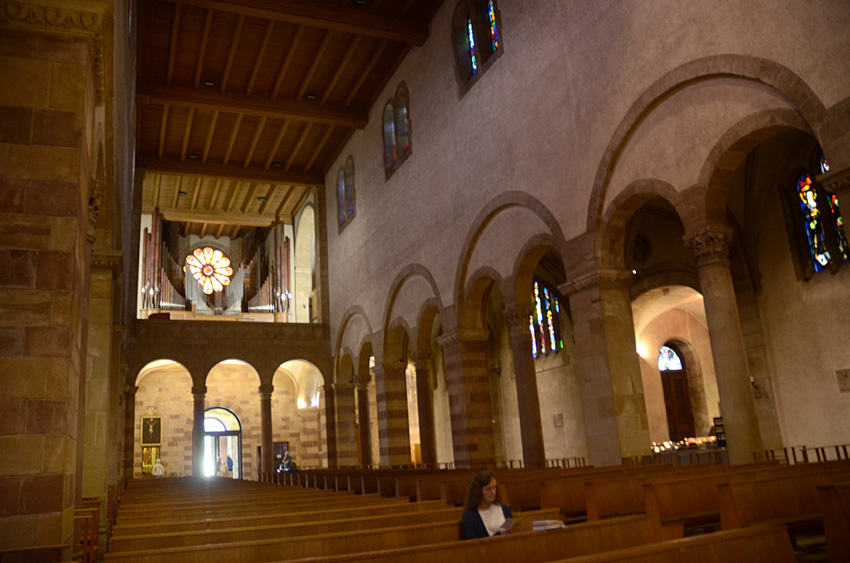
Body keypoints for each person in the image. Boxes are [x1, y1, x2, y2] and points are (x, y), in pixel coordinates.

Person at [461, 471, 512, 539]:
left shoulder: (505, 510)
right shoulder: (470, 515)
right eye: (488, 489)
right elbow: (473, 542)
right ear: (478, 491)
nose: (493, 492)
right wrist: (500, 534)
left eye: (494, 488)